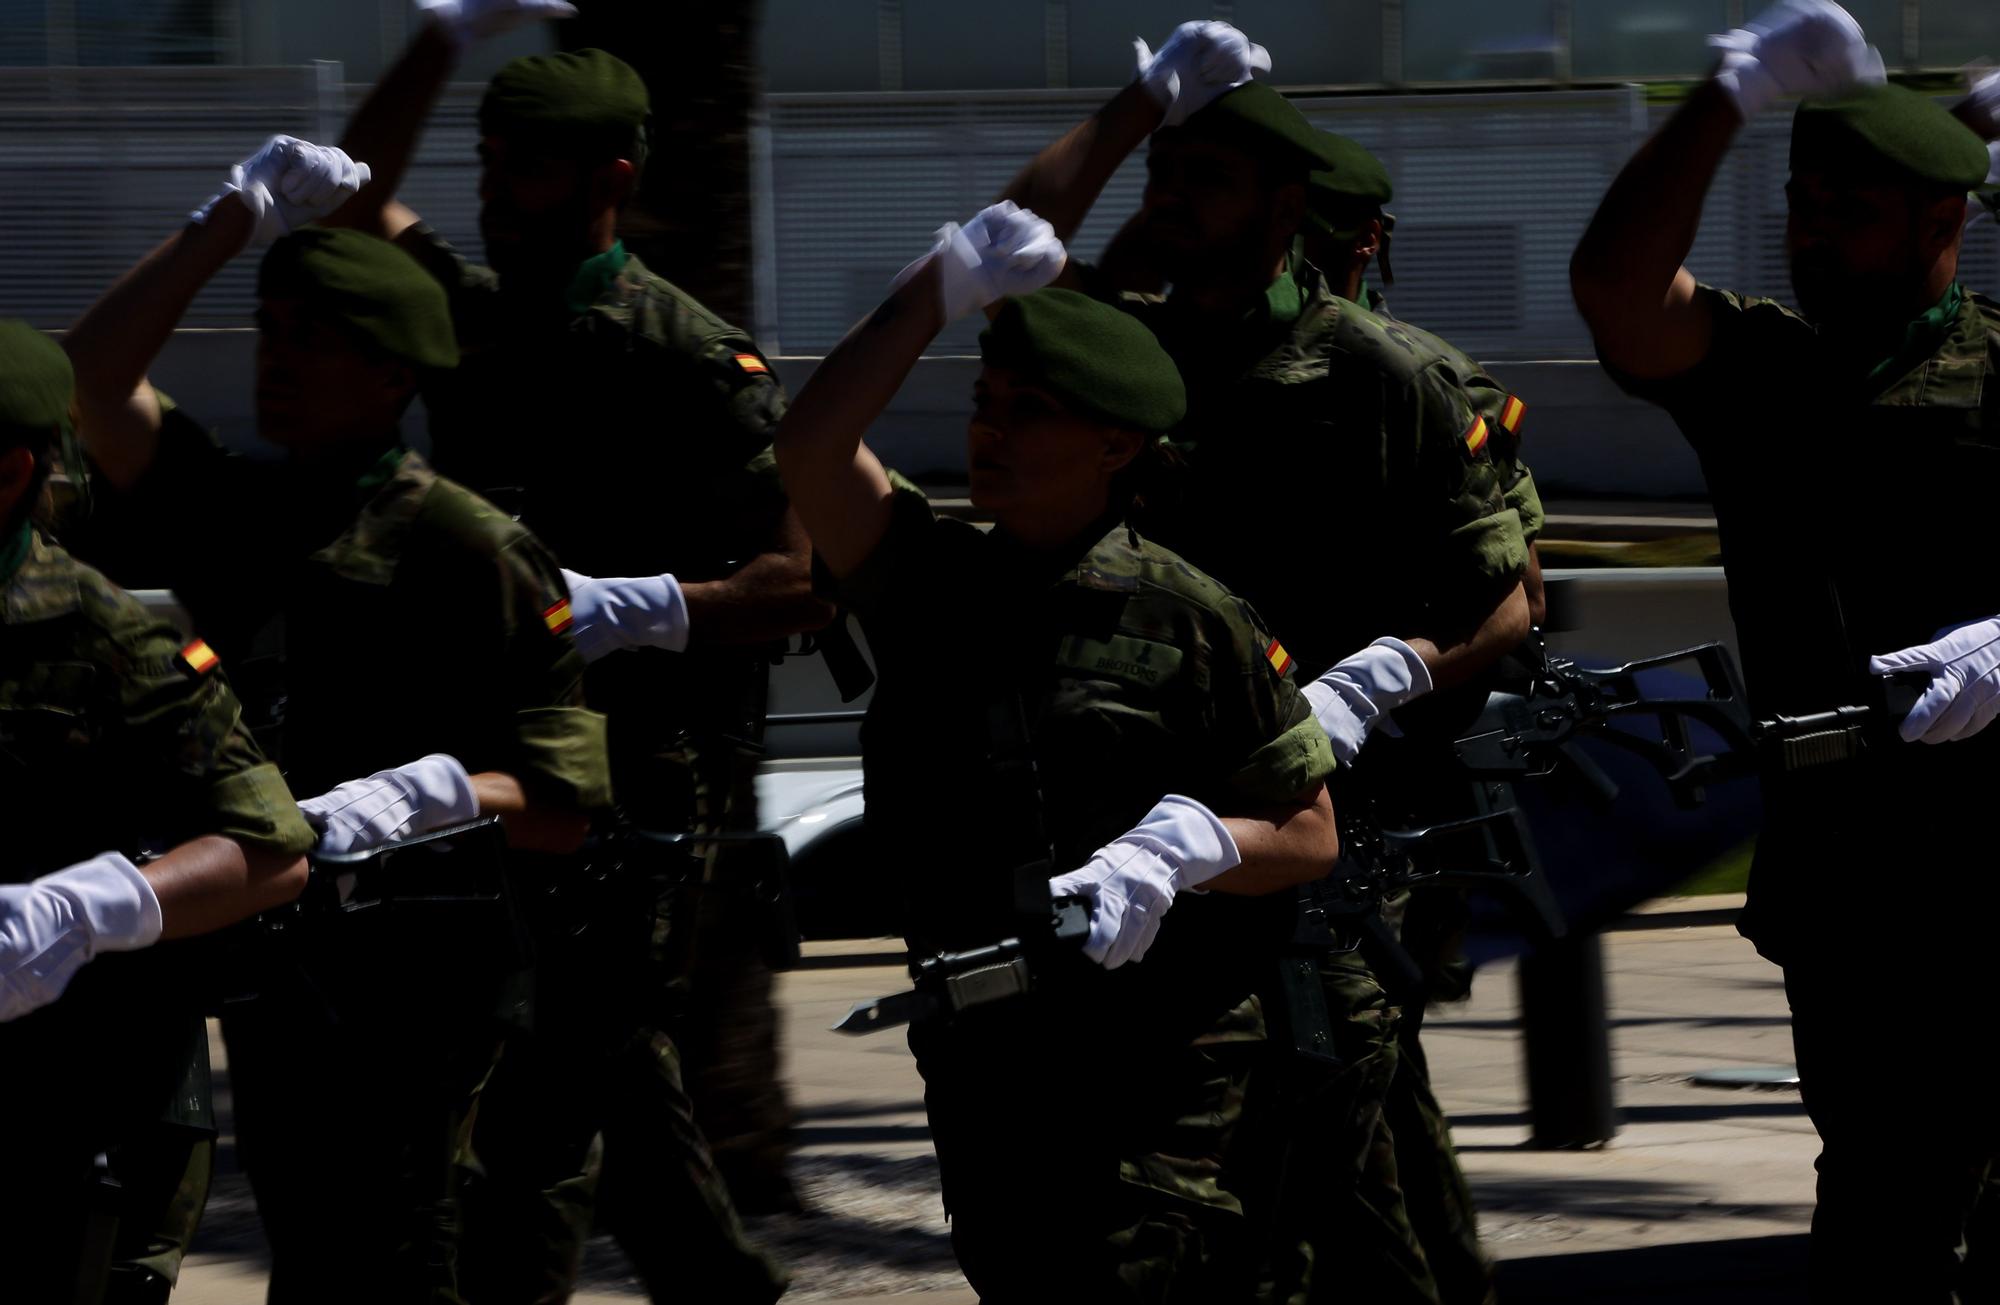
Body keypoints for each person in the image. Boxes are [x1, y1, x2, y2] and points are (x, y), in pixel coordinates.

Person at [993, 23, 1530, 1303]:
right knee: (1334, 1219)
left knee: (1264, 1226)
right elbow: (1001, 254)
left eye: (1204, 181)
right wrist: (1138, 107)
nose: (1169, 203)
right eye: (1160, 181)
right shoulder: (1128, 358)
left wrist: (1376, 677)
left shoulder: (1383, 374)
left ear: (1285, 208)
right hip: (1142, 850)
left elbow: (1507, 600)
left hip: (1323, 857)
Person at [60, 134, 613, 1303]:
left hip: (426, 984)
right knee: (315, 1263)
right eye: (273, 334)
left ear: (394, 378)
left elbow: (562, 804)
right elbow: (87, 383)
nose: (279, 361)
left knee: (405, 1265)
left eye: (319, 341)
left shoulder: (471, 545)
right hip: (283, 970)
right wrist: (229, 217)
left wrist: (424, 796)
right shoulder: (237, 510)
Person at [323, 3, 817, 1296]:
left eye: (526, 169)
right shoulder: (476, 313)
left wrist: (635, 604)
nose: (494, 194)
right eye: (485, 167)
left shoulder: (693, 358)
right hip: (487, 765)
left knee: (545, 1111)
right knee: (599, 1081)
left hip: (636, 785)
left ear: (613, 179)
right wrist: (436, 42)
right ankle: (725, 1285)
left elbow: (795, 585)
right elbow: (341, 207)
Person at [774, 199, 1341, 1300]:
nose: (988, 430)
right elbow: (808, 447)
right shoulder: (927, 582)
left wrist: (1181, 849)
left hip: (1153, 1070)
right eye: (984, 402)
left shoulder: (1188, 615)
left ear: (1115, 443)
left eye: (1028, 411)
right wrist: (936, 291)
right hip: (986, 1065)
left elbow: (1308, 831)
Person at [1570, 3, 1999, 1297]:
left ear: (1944, 226)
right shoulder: (1768, 374)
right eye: (1803, 206)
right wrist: (1732, 89)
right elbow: (1621, 294)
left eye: (1850, 212)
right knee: (1884, 1218)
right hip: (1860, 890)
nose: (1812, 236)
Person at [0, 320, 315, 1304]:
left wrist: (80, 911)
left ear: (9, 473)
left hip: (66, 1105)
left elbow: (271, 848)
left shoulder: (104, 637)